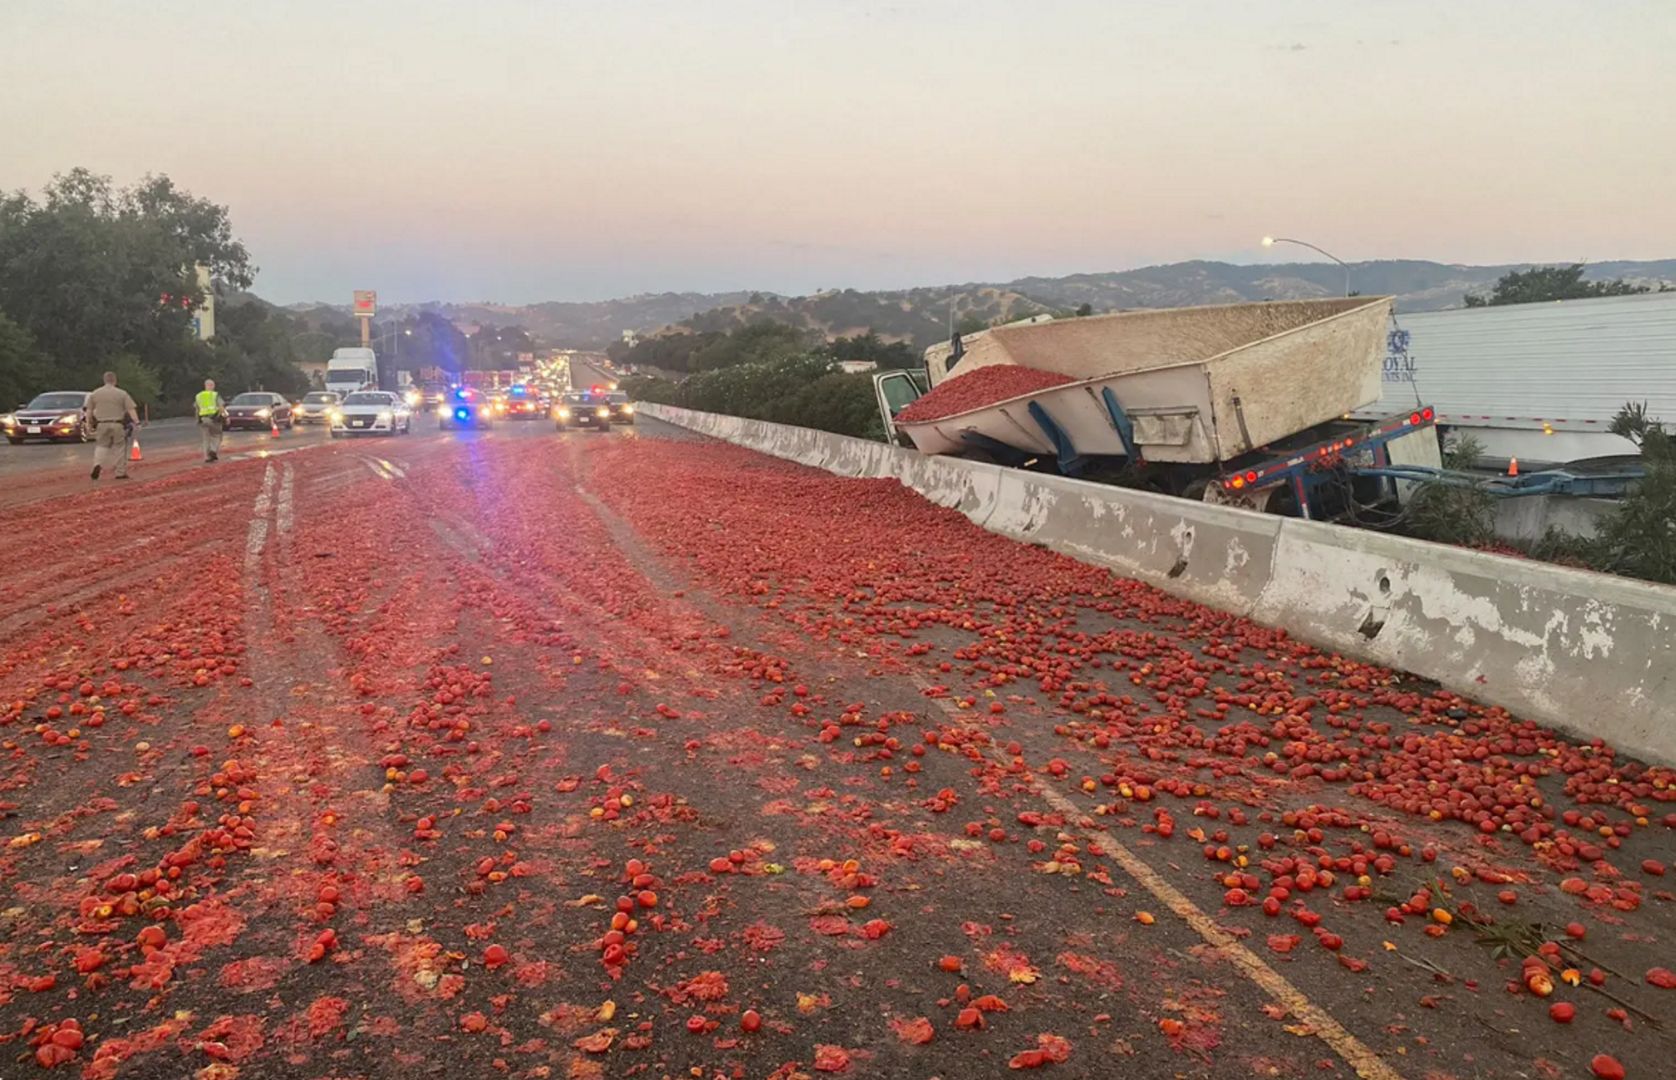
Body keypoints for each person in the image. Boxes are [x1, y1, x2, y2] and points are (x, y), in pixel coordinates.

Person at [84, 371, 139, 480]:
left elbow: (89, 410)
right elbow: (130, 409)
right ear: (115, 380)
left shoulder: (95, 394)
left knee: (101, 446)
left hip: (101, 424)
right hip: (117, 423)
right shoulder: (122, 393)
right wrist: (136, 422)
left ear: (104, 380)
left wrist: (88, 424)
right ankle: (120, 473)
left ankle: (97, 464)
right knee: (119, 447)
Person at [195, 378, 227, 461]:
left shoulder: (198, 396)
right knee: (217, 435)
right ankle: (213, 450)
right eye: (212, 385)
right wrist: (225, 417)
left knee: (206, 439)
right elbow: (221, 408)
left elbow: (197, 409)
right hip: (214, 419)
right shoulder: (215, 395)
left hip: (203, 419)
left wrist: (198, 420)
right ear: (212, 386)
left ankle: (206, 457)